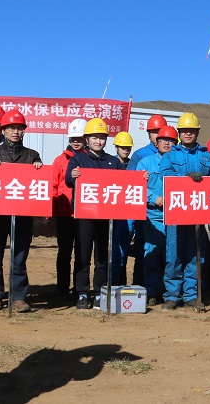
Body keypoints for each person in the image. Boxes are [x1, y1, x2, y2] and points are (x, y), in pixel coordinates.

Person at [0, 108, 43, 313]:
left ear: (24, 131)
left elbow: (38, 182)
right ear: (3, 130)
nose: (15, 132)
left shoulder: (32, 155)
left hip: (23, 215)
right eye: (11, 128)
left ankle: (18, 297)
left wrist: (38, 167)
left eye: (19, 128)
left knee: (19, 257)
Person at [158, 112, 210, 312]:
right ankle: (172, 296)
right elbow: (165, 176)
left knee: (195, 255)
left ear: (197, 132)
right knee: (173, 256)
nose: (188, 134)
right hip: (176, 213)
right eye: (184, 131)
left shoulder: (206, 156)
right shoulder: (169, 156)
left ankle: (191, 295)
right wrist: (186, 177)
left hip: (198, 215)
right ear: (179, 133)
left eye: (192, 130)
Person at [66, 118, 123, 310]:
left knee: (102, 257)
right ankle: (82, 293)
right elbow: (68, 180)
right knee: (82, 256)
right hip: (85, 215)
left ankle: (99, 293)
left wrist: (142, 178)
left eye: (102, 138)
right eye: (94, 138)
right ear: (87, 139)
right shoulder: (78, 159)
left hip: (106, 216)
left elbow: (126, 182)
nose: (98, 141)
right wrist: (73, 176)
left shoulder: (113, 161)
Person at [136, 125, 179, 306]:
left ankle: (170, 293)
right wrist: (154, 198)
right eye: (163, 140)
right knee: (152, 254)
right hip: (154, 216)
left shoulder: (179, 162)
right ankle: (152, 292)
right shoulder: (145, 163)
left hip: (176, 215)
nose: (166, 143)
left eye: (171, 141)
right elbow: (136, 186)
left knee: (172, 256)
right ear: (156, 142)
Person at [51, 118, 87, 300]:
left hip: (84, 214)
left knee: (82, 254)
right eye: (73, 138)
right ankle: (62, 289)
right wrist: (52, 211)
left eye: (79, 138)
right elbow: (53, 186)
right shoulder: (60, 160)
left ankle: (79, 289)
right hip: (65, 213)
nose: (76, 141)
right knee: (64, 252)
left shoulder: (90, 159)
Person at [111, 131, 142, 286]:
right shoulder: (110, 164)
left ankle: (121, 283)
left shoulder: (133, 164)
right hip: (115, 212)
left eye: (128, 147)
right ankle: (114, 283)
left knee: (124, 249)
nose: (125, 150)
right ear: (116, 148)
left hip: (130, 212)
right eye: (123, 147)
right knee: (116, 251)